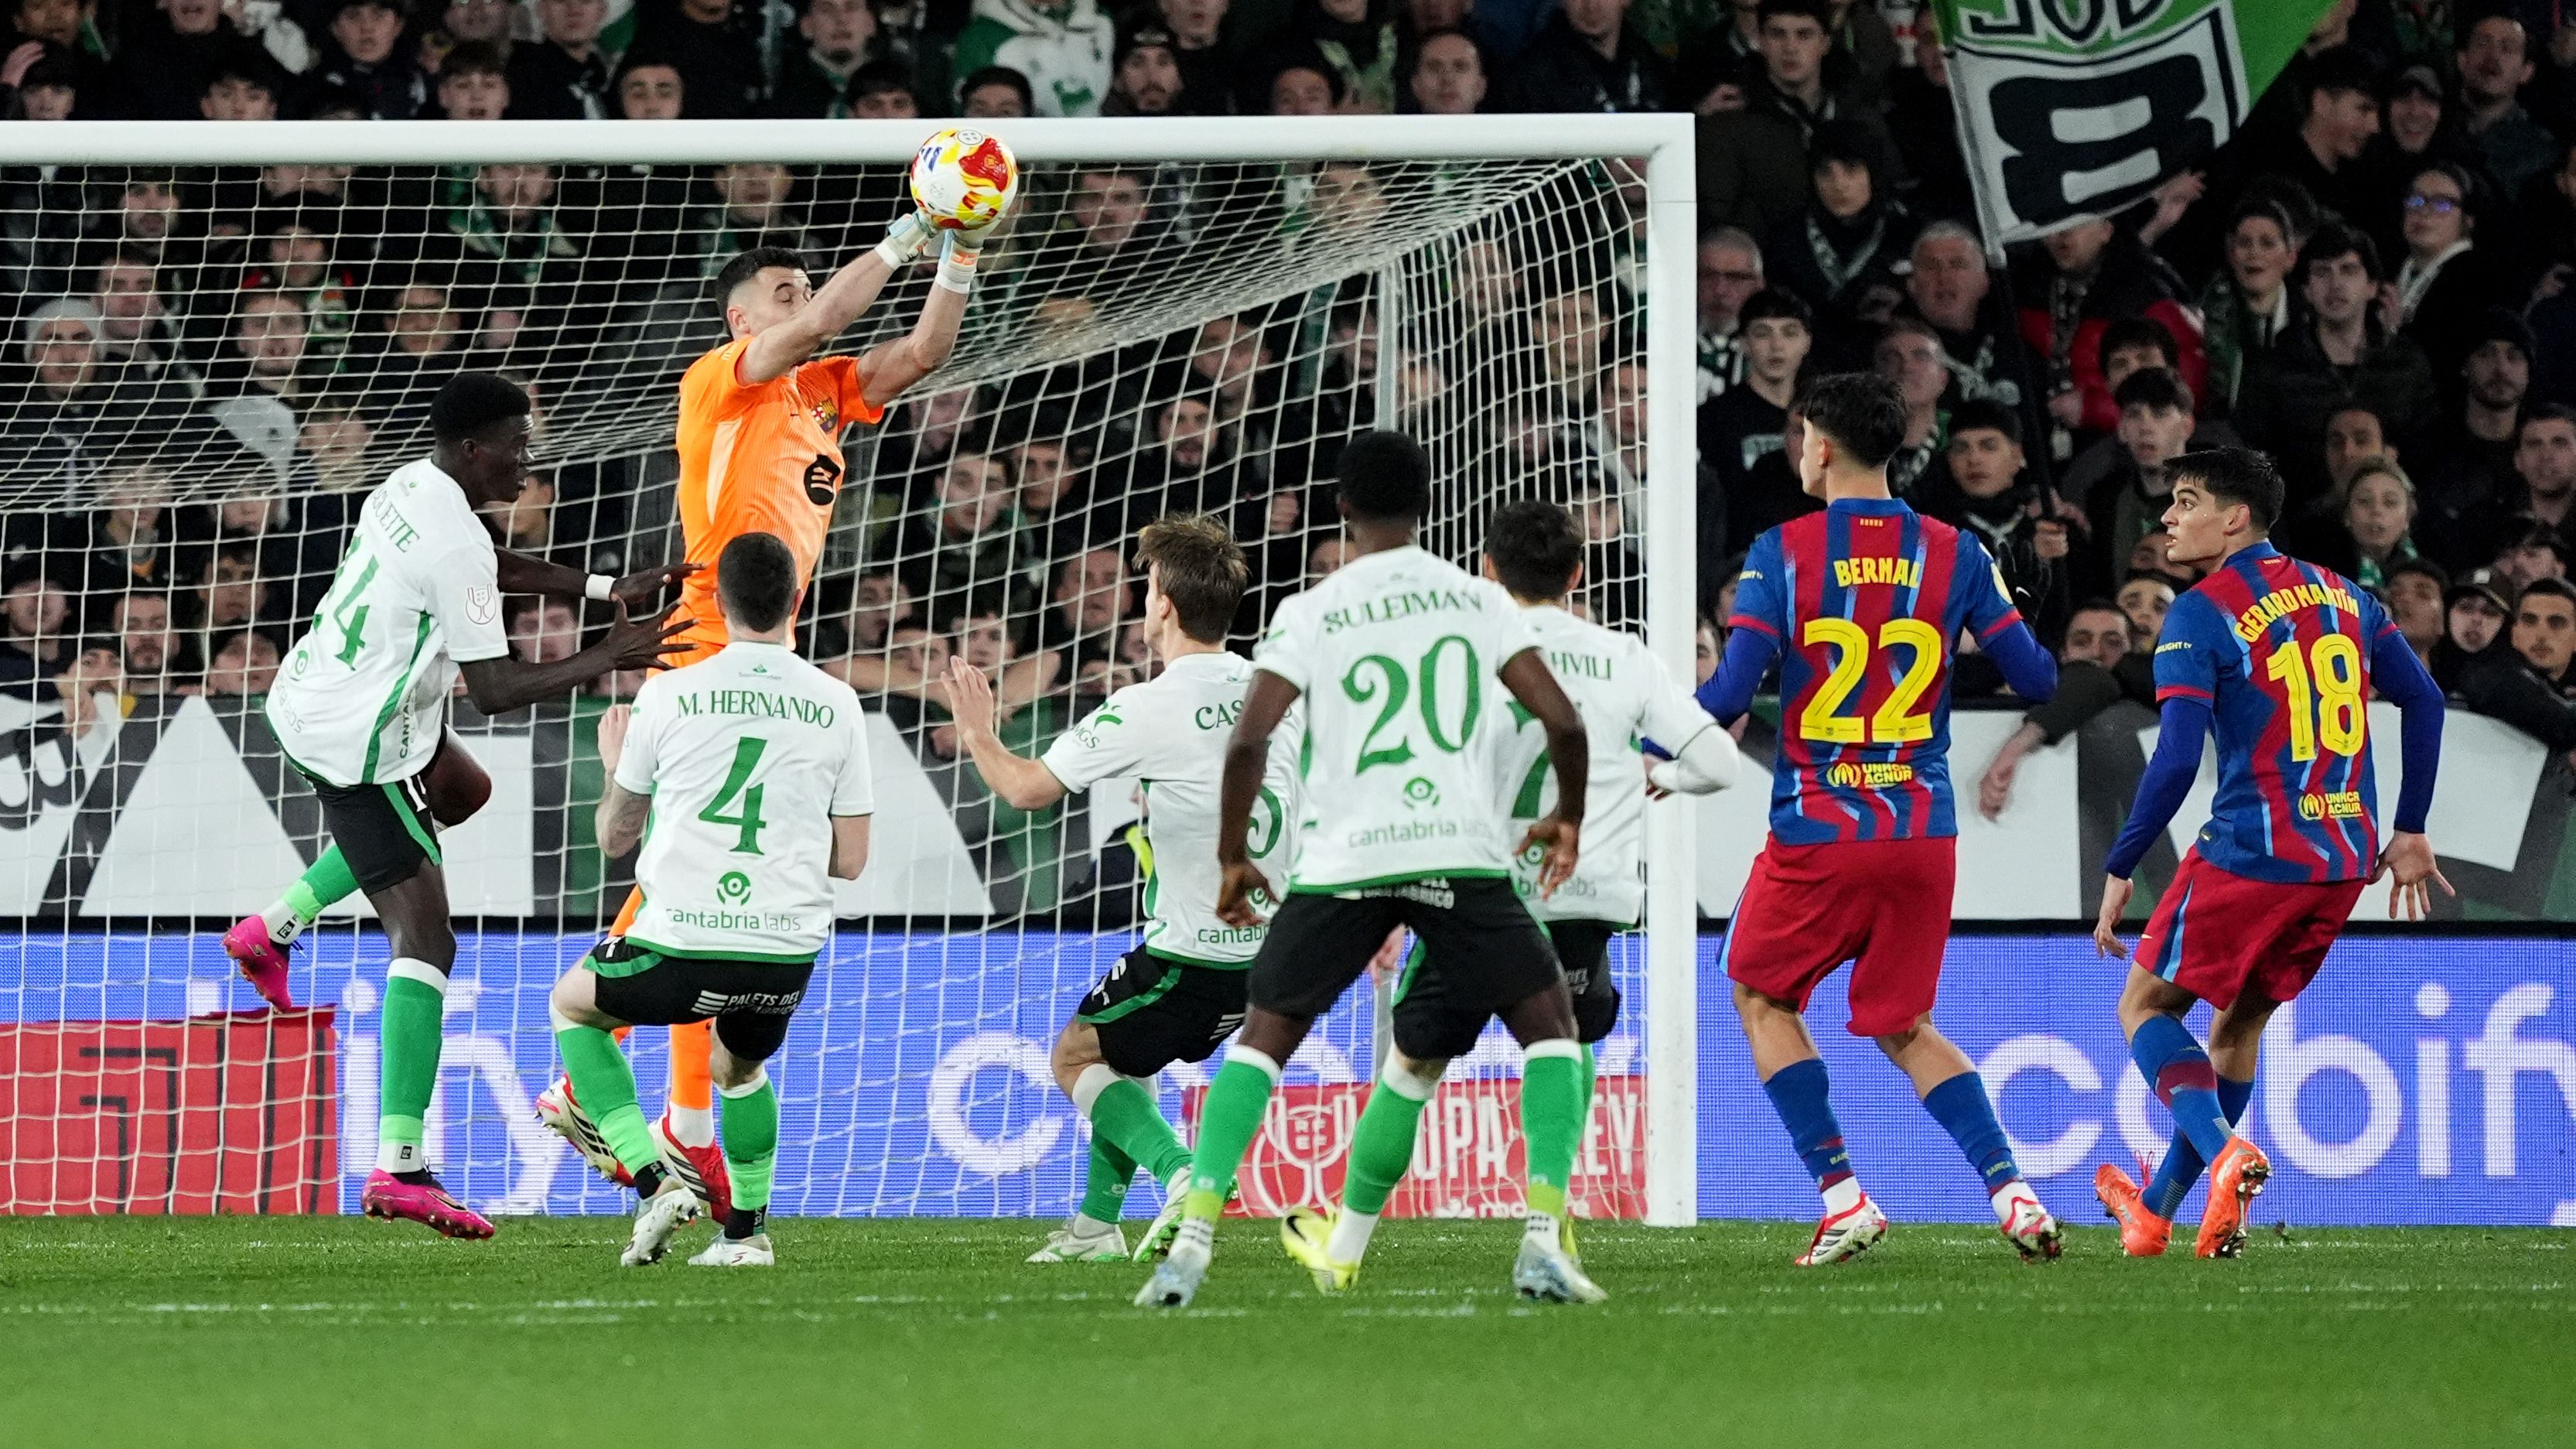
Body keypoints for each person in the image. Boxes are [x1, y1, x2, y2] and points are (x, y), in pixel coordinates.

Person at [535, 197, 1010, 1215]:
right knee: (694, 884)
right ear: (743, 321)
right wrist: (910, 230)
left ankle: (657, 1113)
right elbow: (830, 321)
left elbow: (924, 346)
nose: (803, 305)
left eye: (805, 289)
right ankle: (651, 1106)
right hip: (707, 646)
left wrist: (960, 249)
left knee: (706, 889)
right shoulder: (721, 381)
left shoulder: (826, 395)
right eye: (782, 296)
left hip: (769, 653)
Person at [1134, 431, 1597, 1310]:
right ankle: (1541, 1238)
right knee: (1551, 1030)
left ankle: (1192, 1240)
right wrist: (1566, 818)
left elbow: (1251, 739)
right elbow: (1565, 723)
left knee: (1266, 1037)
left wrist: (1233, 858)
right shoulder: (1477, 599)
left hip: (1347, 854)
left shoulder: (1313, 611)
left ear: (1341, 507)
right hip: (1458, 849)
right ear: (1427, 503)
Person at [243, 373, 693, 1239]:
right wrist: (612, 652)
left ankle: (274, 926)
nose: (530, 463)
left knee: (462, 790)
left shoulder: (415, 484)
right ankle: (399, 1167)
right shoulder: (450, 536)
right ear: (475, 449)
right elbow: (493, 689)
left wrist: (602, 590)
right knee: (428, 938)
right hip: (358, 743)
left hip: (324, 694)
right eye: (519, 447)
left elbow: (488, 563)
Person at [1276, 499, 1740, 1293]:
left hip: (1487, 892)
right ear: (1578, 574)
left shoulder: (1472, 656)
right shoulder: (1625, 658)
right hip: (1590, 893)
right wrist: (1656, 775)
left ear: (1487, 572)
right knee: (1561, 1048)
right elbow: (1721, 764)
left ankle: (1344, 1246)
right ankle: (1547, 1227)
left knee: (1413, 1065)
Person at [1696, 372, 2063, 1266]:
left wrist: (1654, 717)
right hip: (1921, 829)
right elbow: (2043, 681)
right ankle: (2013, 1194)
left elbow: (1732, 695)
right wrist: (2014, 596)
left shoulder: (1779, 551)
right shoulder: (1958, 552)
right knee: (1906, 1022)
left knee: (1762, 995)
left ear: (1819, 444)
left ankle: (1843, 1195)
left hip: (1822, 825)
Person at [2092, 447, 2449, 1260]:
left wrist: (2122, 864)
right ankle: (2156, 1215)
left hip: (2252, 847)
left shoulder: (2199, 611)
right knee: (2239, 1027)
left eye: (2186, 502)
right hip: (2343, 856)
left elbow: (2177, 758)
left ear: (2237, 517)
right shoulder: (2345, 593)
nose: (2169, 519)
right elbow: (2424, 698)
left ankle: (2225, 1154)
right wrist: (2413, 825)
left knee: (2144, 1008)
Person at [938, 514, 1300, 1265]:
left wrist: (977, 729)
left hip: (1191, 952)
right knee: (1124, 1064)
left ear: (1162, 603)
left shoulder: (1148, 704)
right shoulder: (1280, 693)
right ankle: (1098, 1227)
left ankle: (1183, 1176)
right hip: (1272, 955)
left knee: (1074, 1056)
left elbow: (1027, 789)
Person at [551, 530, 873, 1269]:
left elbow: (613, 838)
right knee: (739, 1070)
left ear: (720, 605)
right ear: (797, 600)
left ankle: (653, 1177)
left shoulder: (666, 694)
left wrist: (613, 770)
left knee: (572, 1007)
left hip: (681, 946)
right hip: (783, 954)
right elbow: (851, 860)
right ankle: (749, 1234)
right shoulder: (838, 703)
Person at [2456, 576, 2576, 754]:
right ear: (2514, 633)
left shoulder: (2562, 693)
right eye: (2530, 621)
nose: (2541, 634)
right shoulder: (2490, 673)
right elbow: (2563, 723)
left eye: (2556, 623)